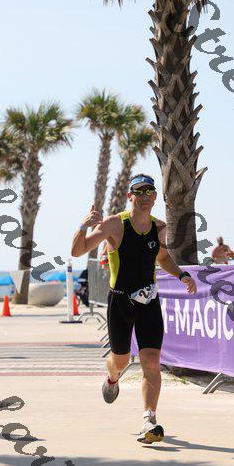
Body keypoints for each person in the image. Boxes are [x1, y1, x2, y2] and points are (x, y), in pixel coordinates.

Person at [71, 173, 197, 444]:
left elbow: (162, 256)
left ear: (155, 197)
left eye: (149, 192)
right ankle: (112, 378)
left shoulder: (159, 227)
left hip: (149, 302)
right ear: (130, 196)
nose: (144, 197)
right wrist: (83, 226)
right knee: (121, 361)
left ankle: (149, 419)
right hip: (120, 302)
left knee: (151, 360)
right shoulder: (114, 224)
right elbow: (77, 251)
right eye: (138, 192)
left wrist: (182, 275)